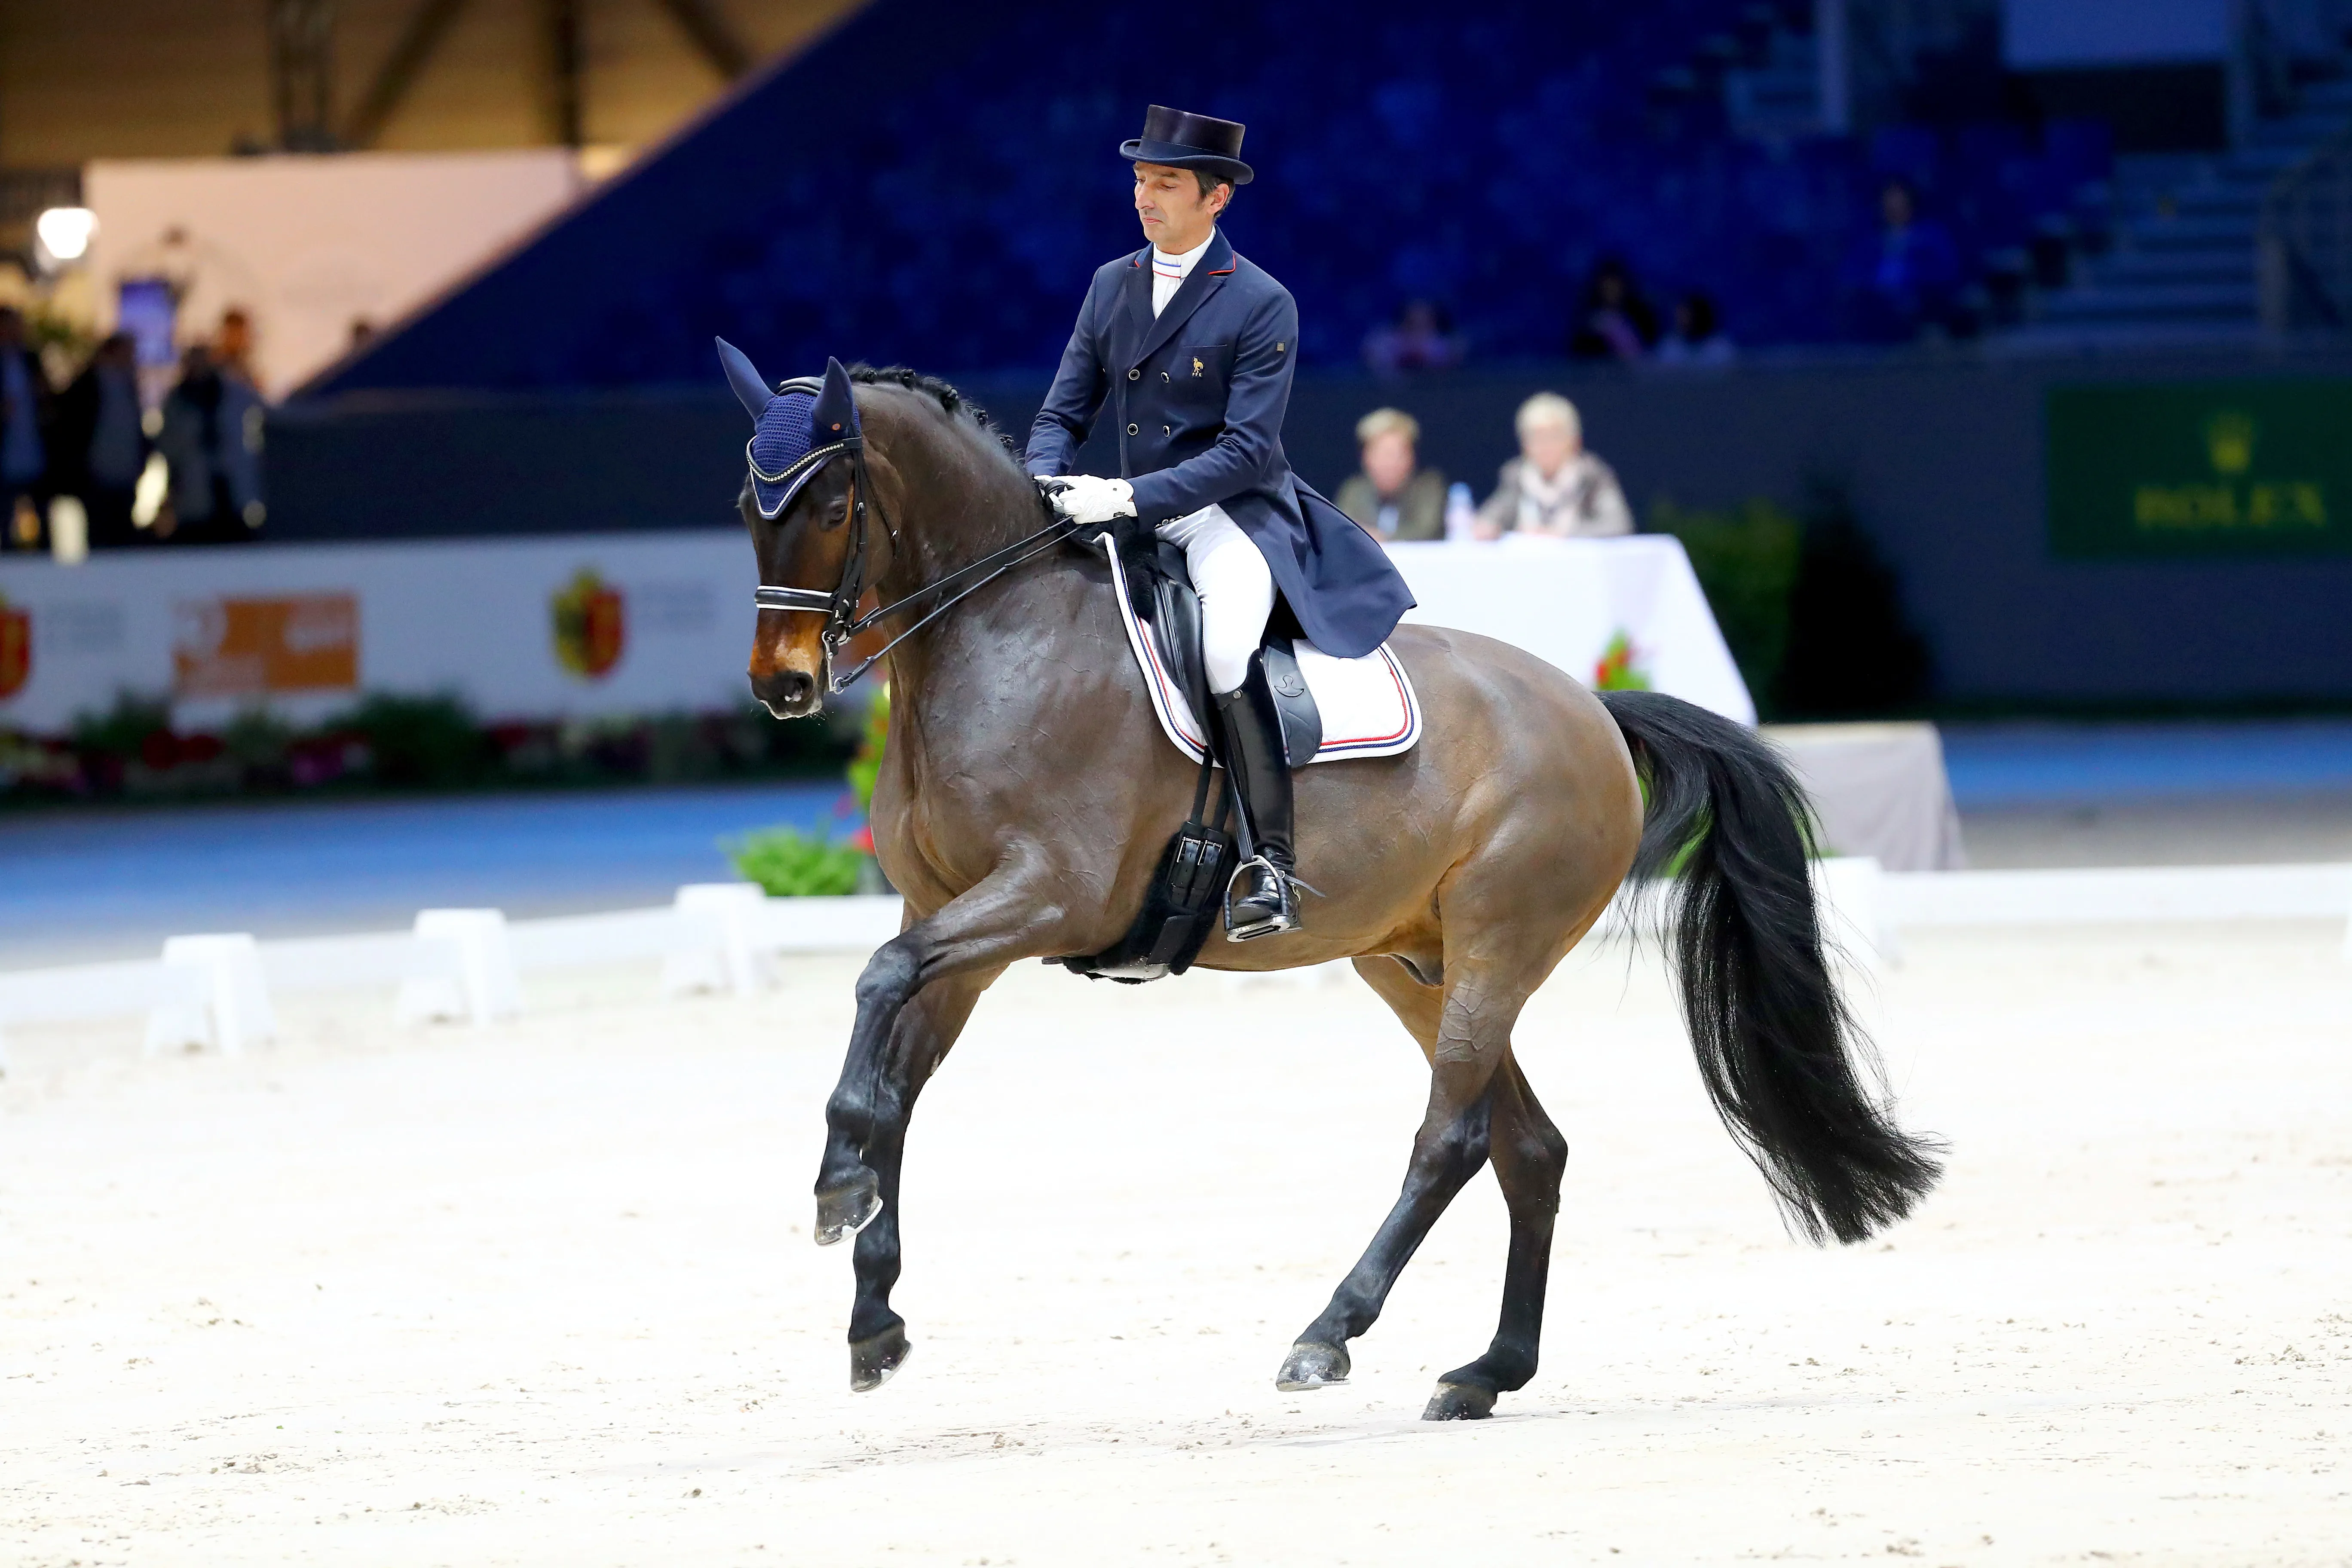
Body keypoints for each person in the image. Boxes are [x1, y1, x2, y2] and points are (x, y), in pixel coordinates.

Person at [1028, 104, 1415, 942]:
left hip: (1223, 514)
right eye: (1140, 179)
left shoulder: (1261, 302)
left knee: (1223, 649)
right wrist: (1043, 482)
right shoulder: (1111, 284)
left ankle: (1271, 863)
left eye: (1165, 183)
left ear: (1215, 199)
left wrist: (1127, 498)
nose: (1145, 196)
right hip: (1117, 510)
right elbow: (1063, 410)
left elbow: (1245, 452)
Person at [1474, 392, 1632, 539]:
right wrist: (1488, 529)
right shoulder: (1517, 477)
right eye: (1536, 437)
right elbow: (1489, 519)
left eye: (1554, 436)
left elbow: (1618, 525)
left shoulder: (1592, 476)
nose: (1545, 446)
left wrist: (1563, 535)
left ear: (1575, 441)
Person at [155, 343, 264, 545]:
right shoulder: (177, 400)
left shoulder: (232, 394)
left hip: (228, 483)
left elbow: (261, 416)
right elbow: (168, 446)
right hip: (194, 490)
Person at [52, 332, 149, 549]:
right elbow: (74, 430)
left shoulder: (128, 386)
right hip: (97, 474)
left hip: (125, 474)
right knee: (100, 534)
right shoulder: (88, 385)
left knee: (123, 534)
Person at [1846, 178, 1962, 343]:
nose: (1893, 205)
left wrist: (1911, 281)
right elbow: (1851, 276)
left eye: (1899, 198)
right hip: (1876, 307)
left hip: (1920, 305)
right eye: (1889, 199)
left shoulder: (1932, 236)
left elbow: (1946, 273)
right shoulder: (1869, 242)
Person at [1333, 407, 1446, 543]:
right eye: (1383, 454)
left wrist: (1381, 539)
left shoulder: (1429, 487)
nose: (1390, 464)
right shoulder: (1354, 492)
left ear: (1411, 457)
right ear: (1365, 457)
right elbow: (1340, 533)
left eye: (1397, 455)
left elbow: (1429, 531)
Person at [0, 306, 53, 552]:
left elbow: (48, 399)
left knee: (42, 515)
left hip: (34, 450)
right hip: (5, 453)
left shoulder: (30, 359)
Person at [1566, 257, 1659, 362]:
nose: (1612, 290)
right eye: (1607, 286)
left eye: (1615, 285)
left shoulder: (1642, 315)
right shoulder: (1588, 321)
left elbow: (1651, 351)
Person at [1361, 299, 1466, 377]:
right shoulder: (1385, 341)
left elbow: (1449, 363)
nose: (1419, 322)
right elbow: (1373, 359)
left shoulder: (1442, 344)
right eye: (1413, 320)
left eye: (1425, 319)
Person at [1654, 291, 1736, 367]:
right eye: (1680, 316)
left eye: (1687, 316)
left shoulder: (1721, 348)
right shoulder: (1670, 347)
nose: (1682, 320)